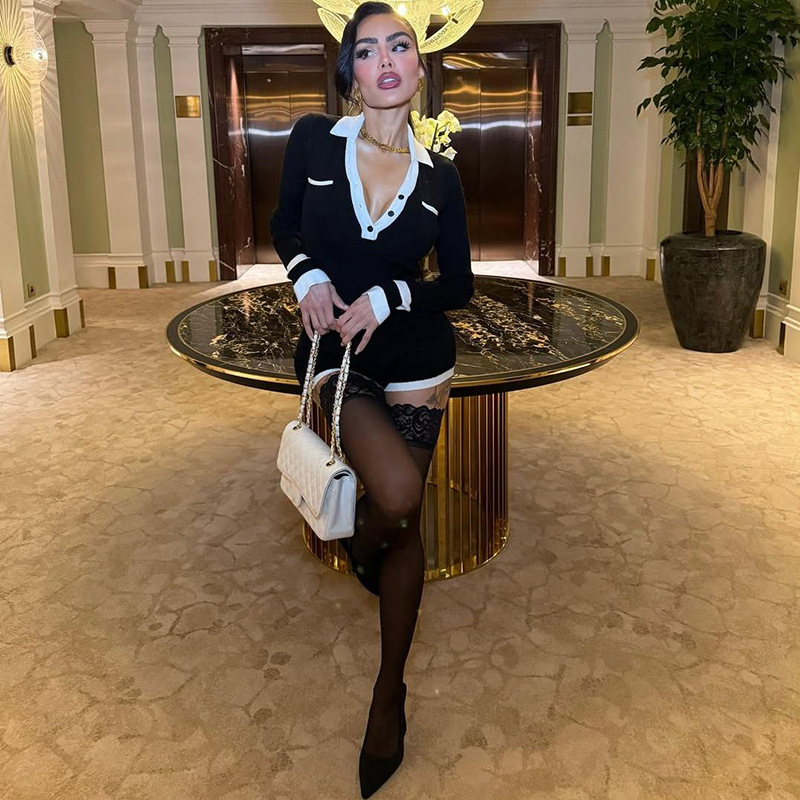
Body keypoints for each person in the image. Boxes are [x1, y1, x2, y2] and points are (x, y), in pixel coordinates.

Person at [269, 2, 473, 796]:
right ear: (350, 69)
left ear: (419, 66)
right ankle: (360, 549)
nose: (385, 60)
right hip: (338, 354)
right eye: (367, 50)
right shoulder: (315, 139)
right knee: (396, 493)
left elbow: (455, 283)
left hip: (417, 352)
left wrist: (394, 293)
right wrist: (307, 277)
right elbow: (285, 224)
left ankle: (389, 695)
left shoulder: (440, 177)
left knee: (405, 514)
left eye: (400, 46)